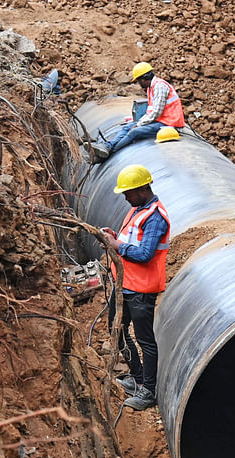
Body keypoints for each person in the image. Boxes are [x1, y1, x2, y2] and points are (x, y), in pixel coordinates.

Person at [101, 164, 169, 411]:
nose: (125, 197)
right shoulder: (137, 209)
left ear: (142, 189)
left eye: (128, 192)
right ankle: (137, 378)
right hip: (125, 284)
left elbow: (145, 254)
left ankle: (148, 391)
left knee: (145, 340)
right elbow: (128, 240)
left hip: (141, 289)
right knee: (115, 328)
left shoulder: (155, 218)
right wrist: (113, 237)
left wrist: (116, 246)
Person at [92, 62, 185, 161]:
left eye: (138, 81)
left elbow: (156, 111)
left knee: (134, 132)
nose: (138, 84)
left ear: (143, 79)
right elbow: (151, 111)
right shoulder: (151, 87)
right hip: (161, 121)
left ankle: (107, 155)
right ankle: (107, 146)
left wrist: (139, 124)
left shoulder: (159, 87)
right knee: (128, 127)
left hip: (169, 125)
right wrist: (136, 121)